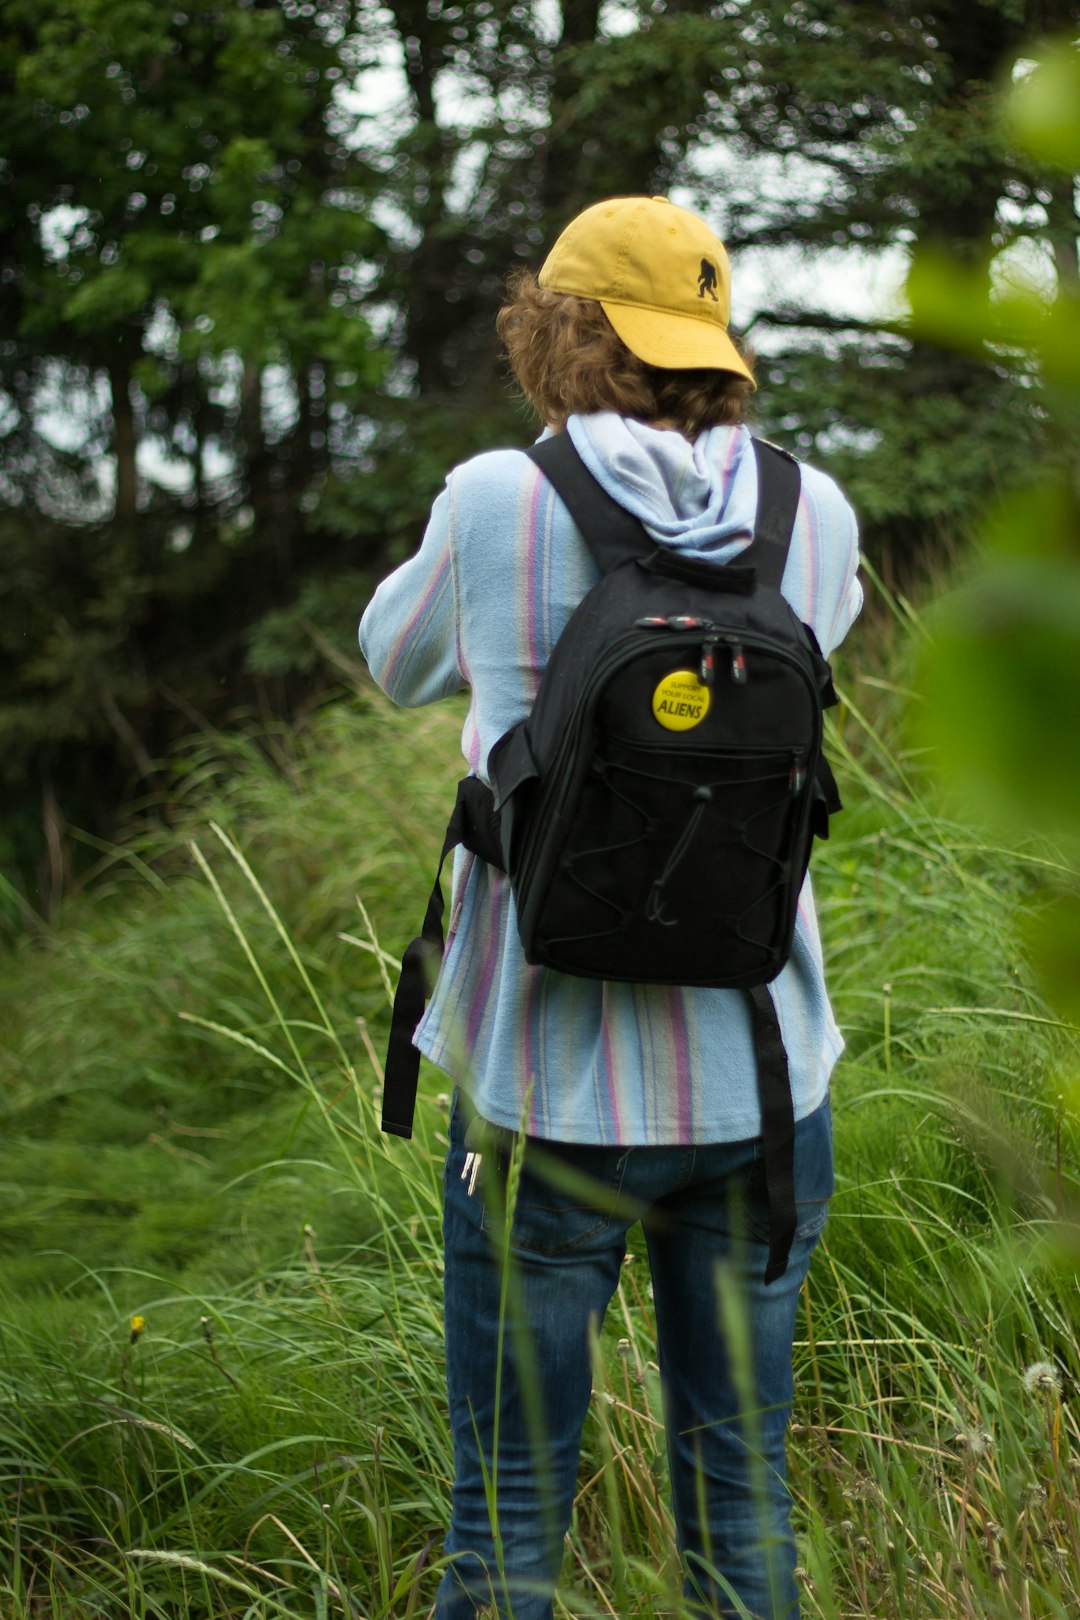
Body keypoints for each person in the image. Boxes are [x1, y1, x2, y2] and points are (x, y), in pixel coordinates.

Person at [359, 195, 862, 1620]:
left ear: (559, 335)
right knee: (744, 1507)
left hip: (543, 1090)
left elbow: (391, 661)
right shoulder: (808, 508)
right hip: (762, 1087)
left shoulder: (495, 499)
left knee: (512, 1520)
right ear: (711, 343)